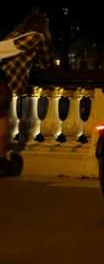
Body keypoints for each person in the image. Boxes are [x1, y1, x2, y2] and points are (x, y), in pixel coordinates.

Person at [0, 11, 52, 176]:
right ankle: (1, 161)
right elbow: (47, 60)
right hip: (2, 82)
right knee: (1, 119)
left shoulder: (14, 35)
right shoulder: (36, 37)